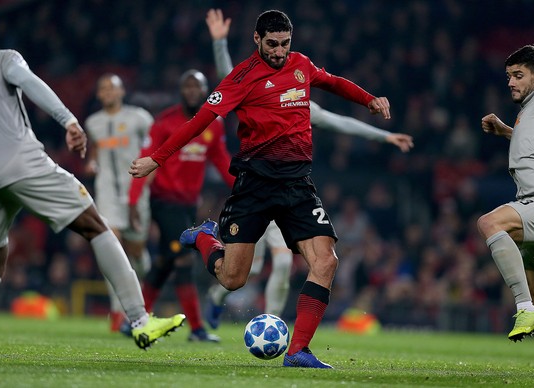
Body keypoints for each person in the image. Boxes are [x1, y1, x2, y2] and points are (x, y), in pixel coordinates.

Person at [130, 10, 392, 368]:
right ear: (257, 39)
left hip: (298, 184)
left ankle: (298, 350)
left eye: (285, 44)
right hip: (254, 185)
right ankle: (205, 236)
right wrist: (157, 159)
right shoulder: (241, 77)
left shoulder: (301, 64)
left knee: (326, 261)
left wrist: (368, 99)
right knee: (233, 279)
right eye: (272, 44)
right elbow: (199, 122)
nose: (279, 51)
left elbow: (332, 82)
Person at [0, 17, 184, 369]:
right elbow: (30, 83)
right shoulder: (4, 58)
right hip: (22, 161)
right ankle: (140, 320)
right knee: (96, 226)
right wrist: (68, 120)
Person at [204, 8, 414, 330]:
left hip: (288, 187)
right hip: (256, 184)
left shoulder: (299, 100)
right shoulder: (252, 85)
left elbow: (342, 123)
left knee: (285, 261)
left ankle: (271, 325)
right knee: (244, 269)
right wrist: (220, 43)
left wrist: (386, 137)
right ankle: (216, 301)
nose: (279, 52)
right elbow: (227, 78)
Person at [128, 69, 234, 342]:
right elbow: (144, 159)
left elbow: (222, 161)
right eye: (186, 86)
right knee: (185, 258)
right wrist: (132, 200)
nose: (191, 91)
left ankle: (135, 319)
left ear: (205, 91)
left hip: (188, 205)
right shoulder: (164, 122)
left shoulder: (214, 124)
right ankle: (197, 329)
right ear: (180, 91)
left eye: (196, 87)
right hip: (164, 202)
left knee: (165, 261)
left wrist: (242, 187)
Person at [479, 44, 534, 342]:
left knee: (490, 223)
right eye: (508, 76)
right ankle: (532, 307)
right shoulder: (529, 111)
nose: (511, 82)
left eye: (518, 75)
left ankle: (524, 308)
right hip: (530, 203)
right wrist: (506, 131)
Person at [84, 73, 154, 332]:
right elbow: (95, 152)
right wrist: (91, 164)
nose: (108, 92)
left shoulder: (139, 118)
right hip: (107, 194)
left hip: (135, 191)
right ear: (99, 95)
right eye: (103, 89)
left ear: (122, 91)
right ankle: (117, 311)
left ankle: (141, 291)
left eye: (112, 88)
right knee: (112, 248)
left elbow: (152, 153)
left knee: (136, 254)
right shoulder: (93, 123)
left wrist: (144, 188)